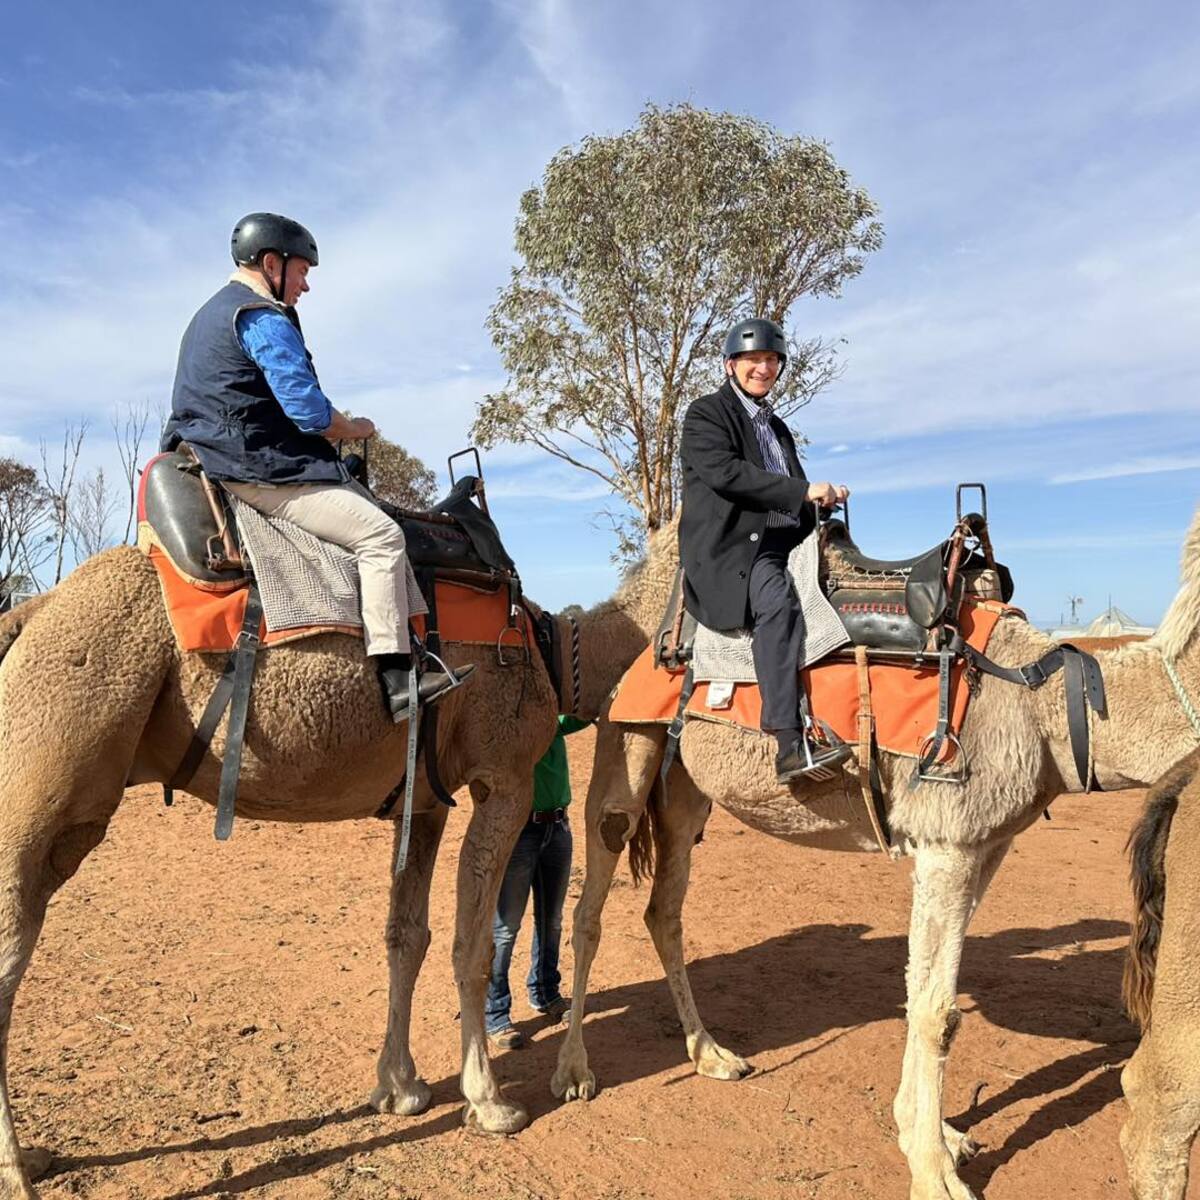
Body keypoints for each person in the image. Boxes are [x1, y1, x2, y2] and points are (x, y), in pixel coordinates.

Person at [163, 212, 471, 720]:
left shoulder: (206, 317)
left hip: (207, 456)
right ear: (270, 263)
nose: (306, 284)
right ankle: (398, 678)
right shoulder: (260, 315)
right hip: (254, 469)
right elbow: (308, 411)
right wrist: (356, 428)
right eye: (302, 271)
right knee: (381, 537)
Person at [678, 317, 850, 783]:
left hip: (785, 539)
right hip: (737, 550)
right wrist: (803, 491)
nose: (763, 368)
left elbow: (791, 493)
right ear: (731, 364)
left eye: (771, 360)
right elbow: (727, 475)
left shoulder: (776, 427)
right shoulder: (706, 415)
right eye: (753, 359)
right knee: (778, 605)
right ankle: (788, 743)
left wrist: (823, 503)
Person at [485, 715, 591, 1049]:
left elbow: (576, 717)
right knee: (505, 930)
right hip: (521, 832)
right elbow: (569, 720)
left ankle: (546, 993)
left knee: (552, 922)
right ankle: (495, 1014)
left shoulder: (552, 714)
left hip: (557, 826)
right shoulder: (526, 719)